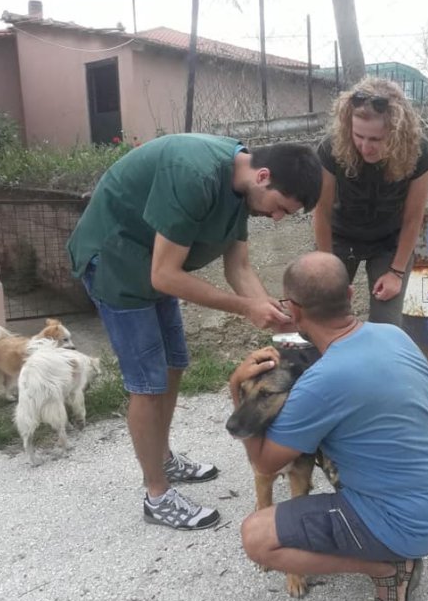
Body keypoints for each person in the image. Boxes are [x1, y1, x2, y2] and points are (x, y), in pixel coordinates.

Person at [67, 133, 322, 531]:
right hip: (116, 264)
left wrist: (276, 320)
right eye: (280, 209)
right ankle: (157, 495)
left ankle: (163, 457)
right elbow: (165, 273)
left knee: (174, 366)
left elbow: (238, 269)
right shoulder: (195, 175)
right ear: (264, 177)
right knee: (147, 385)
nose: (276, 219)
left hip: (152, 271)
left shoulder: (242, 189)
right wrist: (245, 307)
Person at [229, 252, 428, 601]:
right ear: (352, 295)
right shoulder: (393, 334)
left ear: (293, 311)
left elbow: (263, 463)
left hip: (406, 523)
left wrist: (235, 384)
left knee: (256, 539)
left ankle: (387, 568)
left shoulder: (320, 382)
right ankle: (394, 545)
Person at [313, 76, 428, 327]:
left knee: (386, 328)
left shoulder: (420, 152)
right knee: (323, 320)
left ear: (396, 132)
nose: (365, 147)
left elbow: (413, 218)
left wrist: (396, 272)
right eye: (359, 136)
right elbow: (321, 211)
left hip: (389, 243)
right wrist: (327, 268)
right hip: (340, 237)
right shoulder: (331, 147)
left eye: (376, 140)